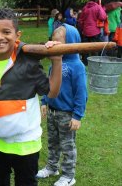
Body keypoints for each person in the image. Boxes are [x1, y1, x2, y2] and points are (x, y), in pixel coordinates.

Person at [0, 8, 63, 186]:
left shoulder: (28, 63)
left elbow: (52, 92)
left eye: (6, 32)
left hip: (26, 146)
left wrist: (56, 60)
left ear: (17, 35)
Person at [36, 23, 87, 186]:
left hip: (66, 114)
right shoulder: (54, 62)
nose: (54, 45)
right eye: (53, 41)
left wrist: (77, 116)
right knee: (52, 142)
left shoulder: (77, 66)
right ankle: (52, 167)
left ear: (71, 42)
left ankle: (68, 175)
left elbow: (81, 93)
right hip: (52, 111)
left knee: (67, 146)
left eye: (59, 43)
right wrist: (44, 101)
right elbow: (49, 84)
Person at [78, 0, 107, 65]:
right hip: (95, 31)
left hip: (85, 31)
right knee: (95, 48)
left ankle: (85, 62)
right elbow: (103, 17)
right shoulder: (97, 7)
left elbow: (81, 20)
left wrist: (82, 29)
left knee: (85, 48)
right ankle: (94, 62)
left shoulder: (85, 8)